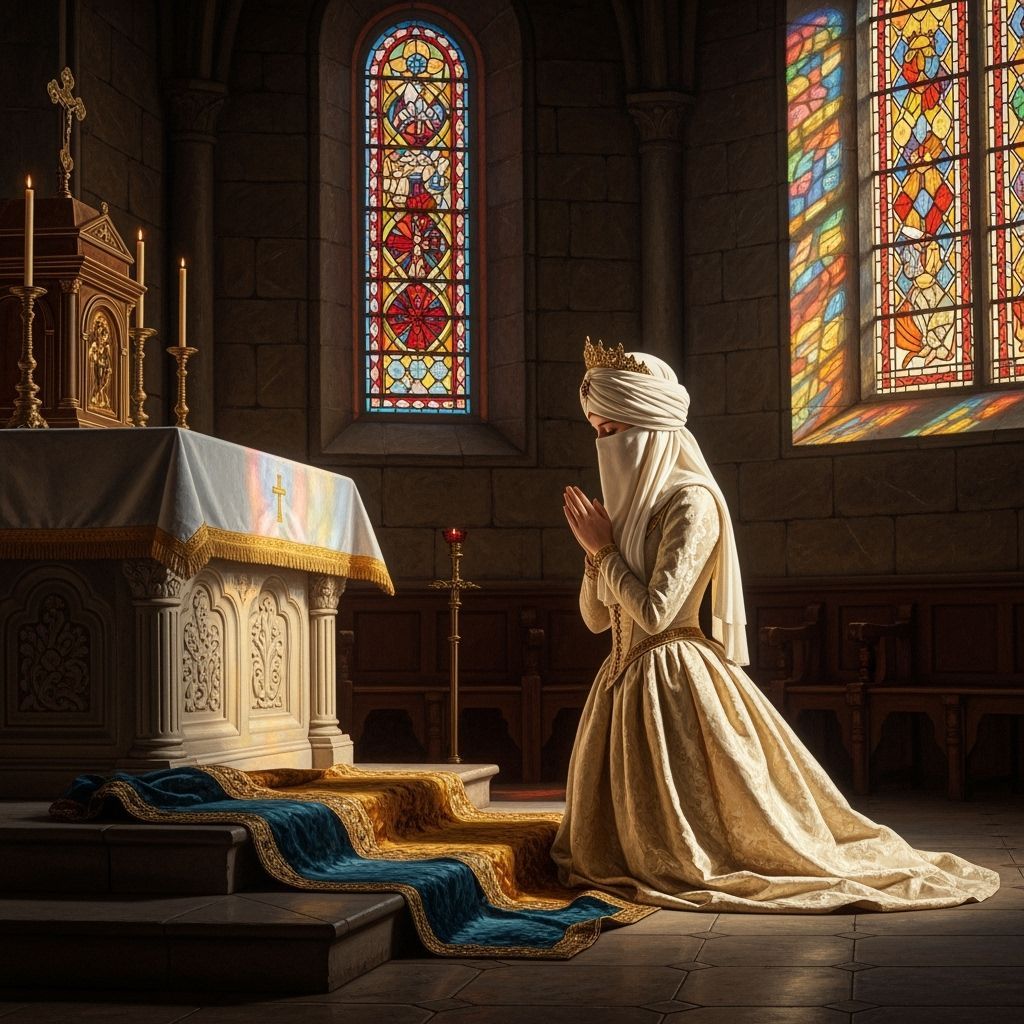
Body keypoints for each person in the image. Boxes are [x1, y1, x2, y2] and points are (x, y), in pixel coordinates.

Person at [550, 338, 999, 912]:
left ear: (649, 424)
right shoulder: (624, 515)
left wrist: (604, 551)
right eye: (597, 431)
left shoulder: (692, 502)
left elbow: (659, 613)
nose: (604, 444)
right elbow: (594, 620)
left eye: (613, 430)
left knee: (723, 839)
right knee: (610, 852)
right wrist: (595, 555)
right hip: (621, 682)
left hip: (677, 678)